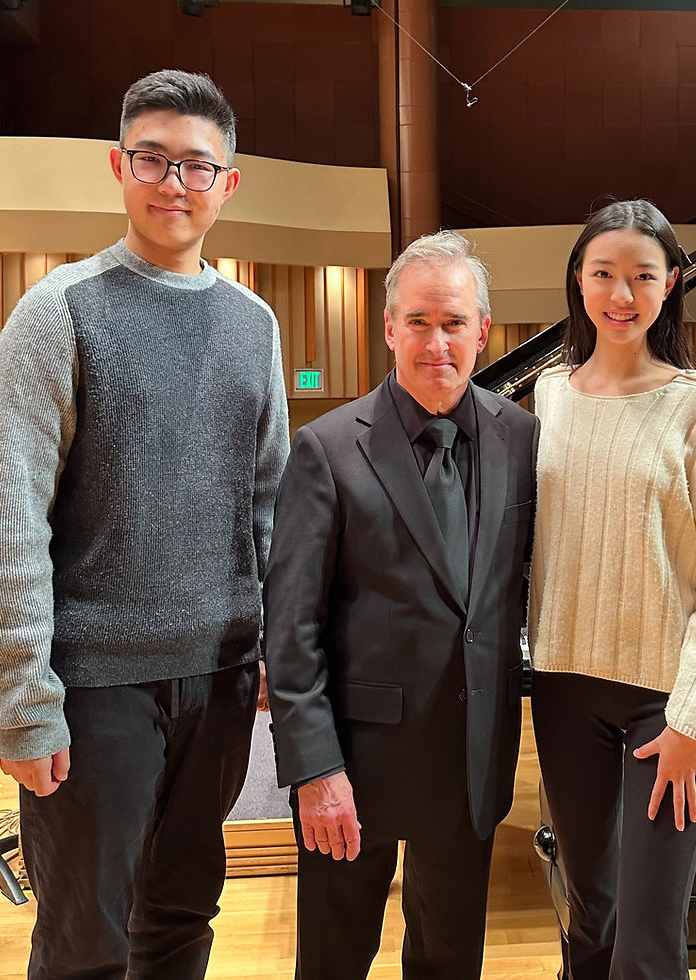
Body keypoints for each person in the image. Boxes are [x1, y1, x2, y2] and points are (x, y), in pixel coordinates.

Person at [0, 69, 289, 980]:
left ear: (228, 183)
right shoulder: (58, 312)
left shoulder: (254, 325)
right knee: (85, 943)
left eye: (197, 165)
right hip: (94, 687)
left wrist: (274, 644)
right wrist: (22, 704)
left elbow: (268, 503)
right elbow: (8, 523)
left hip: (220, 682)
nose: (174, 183)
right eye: (154, 158)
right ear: (119, 164)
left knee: (183, 919)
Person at [264, 230, 538, 980]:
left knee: (450, 958)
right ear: (388, 328)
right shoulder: (326, 448)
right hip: (356, 762)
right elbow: (291, 630)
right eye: (418, 321)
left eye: (453, 322)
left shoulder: (521, 437)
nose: (436, 341)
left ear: (483, 331)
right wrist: (315, 770)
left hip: (472, 753)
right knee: (334, 958)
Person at [528, 199, 696, 980]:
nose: (622, 295)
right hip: (563, 689)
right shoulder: (549, 395)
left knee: (648, 944)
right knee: (589, 921)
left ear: (671, 285)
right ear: (579, 283)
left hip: (666, 703)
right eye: (604, 275)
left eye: (642, 277)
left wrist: (693, 721)